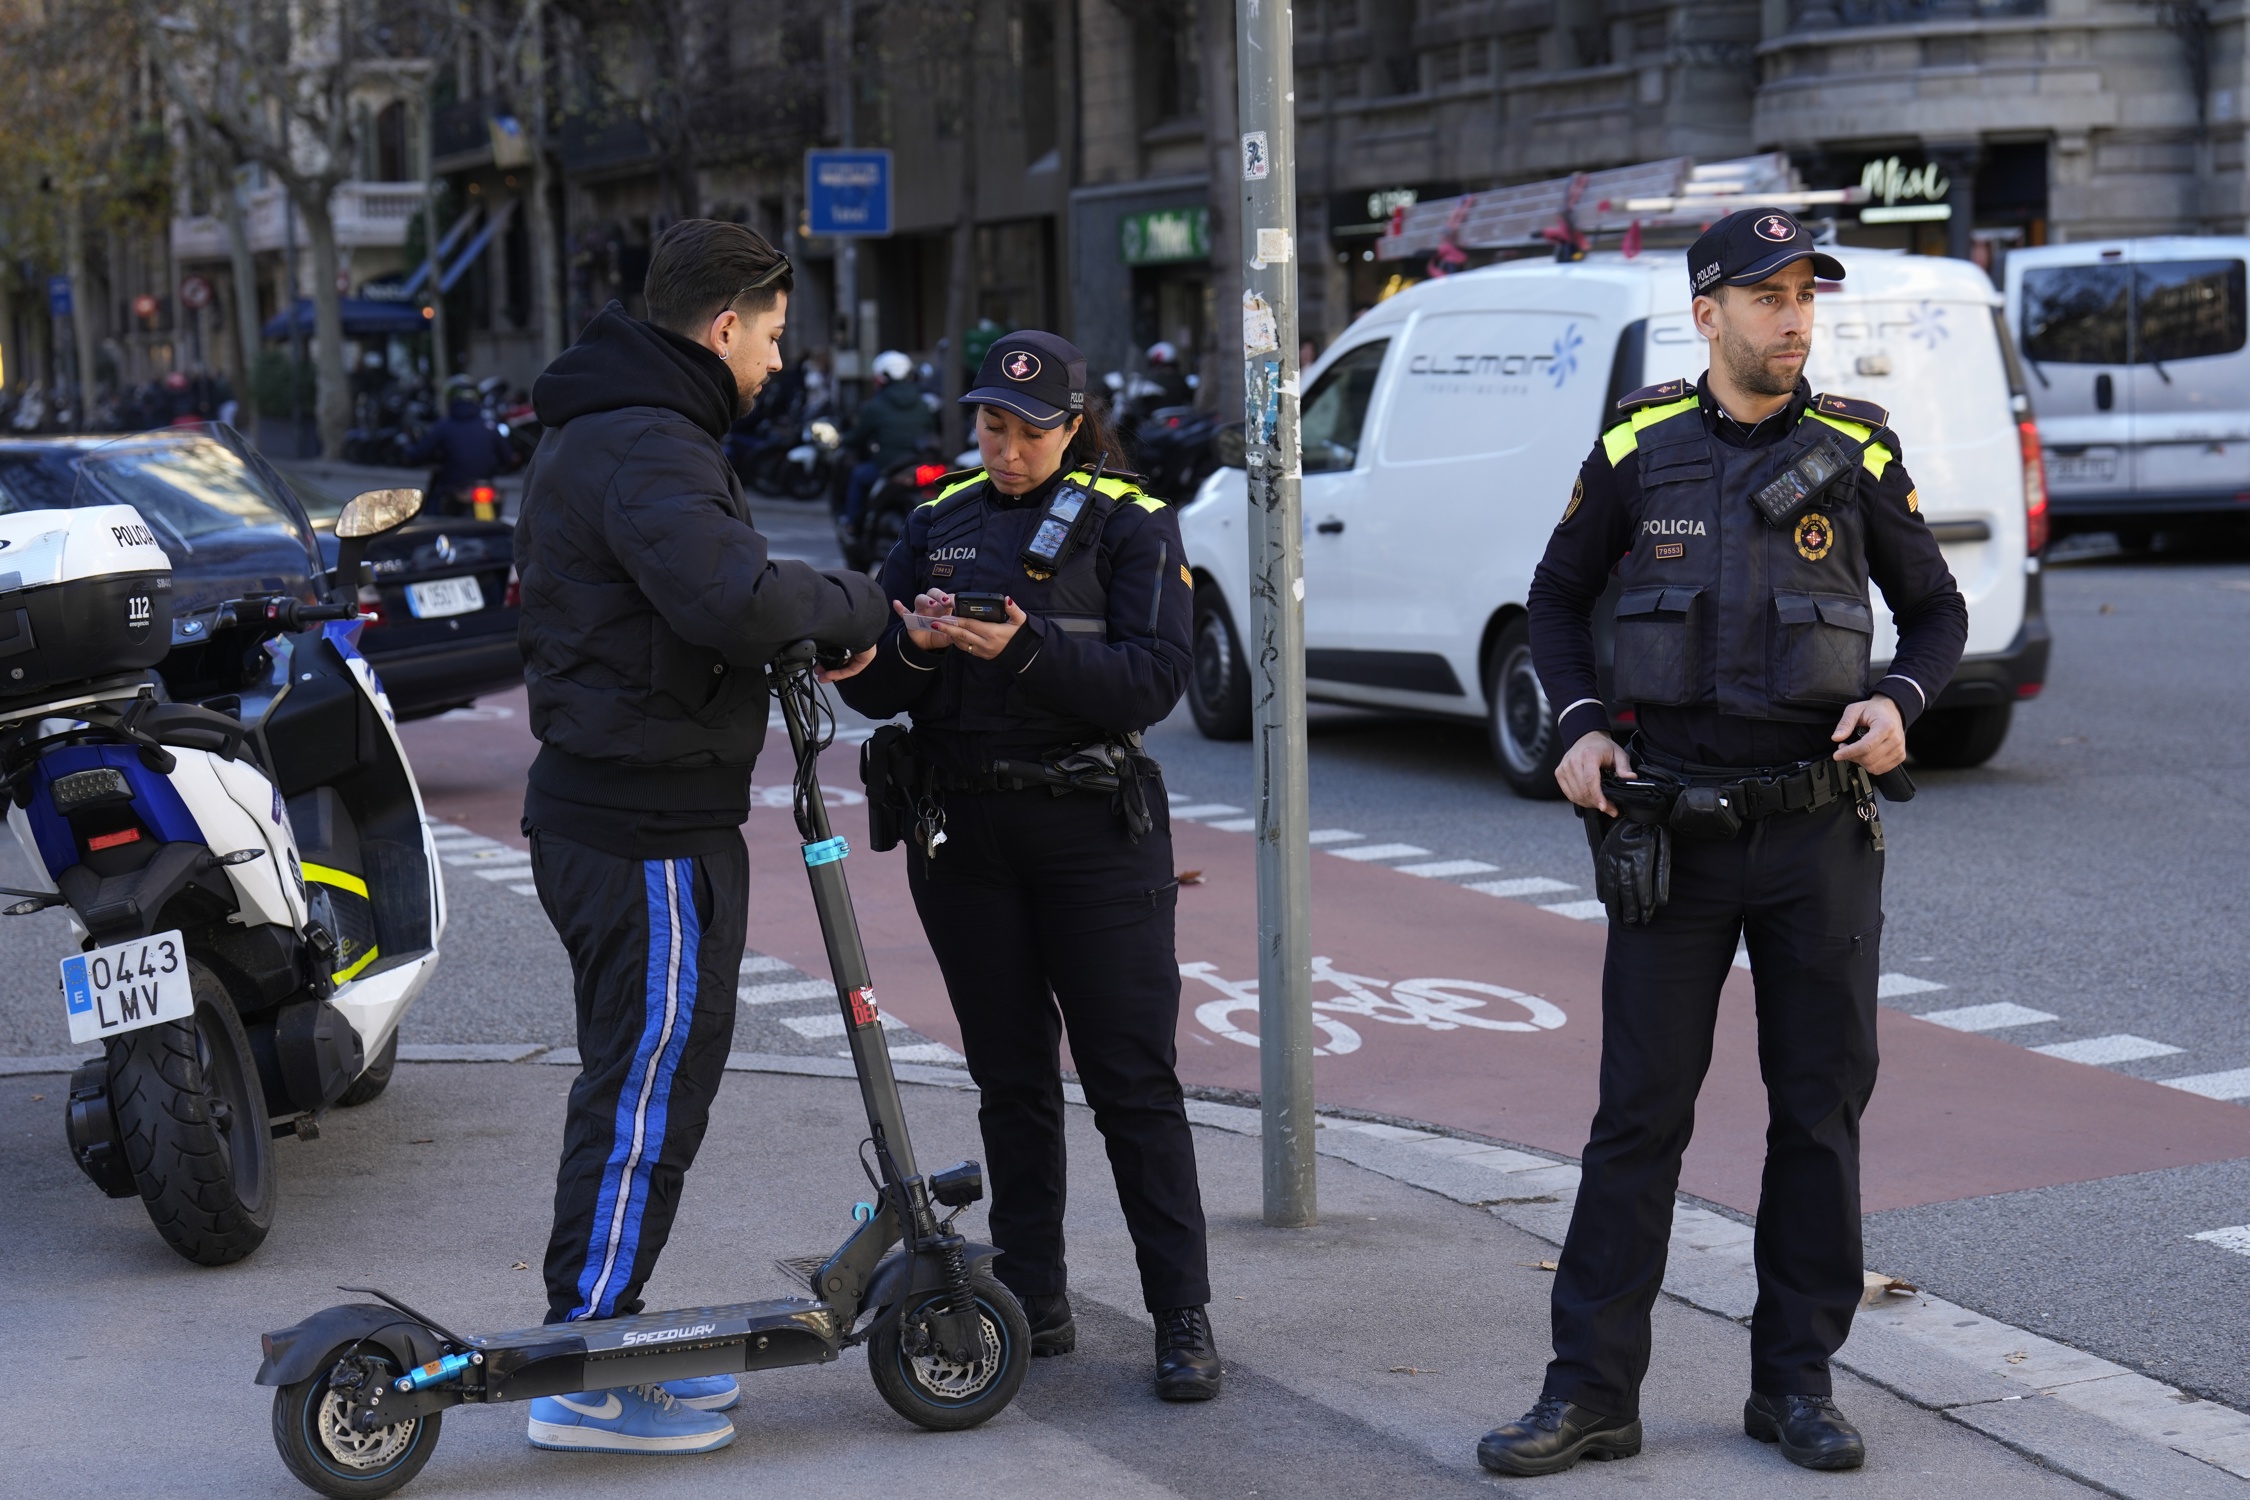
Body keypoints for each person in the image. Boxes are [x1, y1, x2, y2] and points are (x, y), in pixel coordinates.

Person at [1480, 209, 1969, 1479]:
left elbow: (1937, 610)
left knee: (1817, 1115)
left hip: (1818, 830)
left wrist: (1901, 703)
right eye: (1767, 296)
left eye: (1806, 293)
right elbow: (1554, 596)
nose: (1794, 317)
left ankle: (1796, 1385)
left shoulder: (1858, 449)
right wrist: (1579, 726)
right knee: (1636, 1119)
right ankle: (1591, 1394)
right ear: (1709, 314)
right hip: (1674, 836)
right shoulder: (1640, 445)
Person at [512, 218, 889, 1456]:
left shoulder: (626, 427)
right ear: (723, 325)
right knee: (642, 1092)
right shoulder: (645, 442)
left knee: (646, 1082)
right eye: (774, 336)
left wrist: (807, 615)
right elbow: (731, 594)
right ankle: (582, 1363)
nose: (780, 362)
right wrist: (864, 605)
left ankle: (607, 1332)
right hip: (642, 826)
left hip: (643, 809)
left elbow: (712, 586)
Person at [834, 330, 1222, 1403]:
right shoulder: (937, 521)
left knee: (1132, 1083)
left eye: (1029, 431)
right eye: (991, 427)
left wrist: (1030, 649)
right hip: (965, 835)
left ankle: (1181, 1317)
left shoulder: (1133, 522)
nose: (1006, 450)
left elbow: (1156, 682)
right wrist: (909, 642)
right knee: (1010, 1081)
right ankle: (1035, 1297)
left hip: (1095, 833)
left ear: (1072, 425)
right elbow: (869, 689)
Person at [839, 348, 934, 530]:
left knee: (858, 476)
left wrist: (843, 440)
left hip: (887, 465)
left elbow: (858, 437)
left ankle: (851, 524)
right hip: (917, 466)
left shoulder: (875, 405)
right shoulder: (922, 403)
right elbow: (931, 429)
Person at [407, 376, 513, 517]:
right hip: (487, 485)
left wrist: (407, 452)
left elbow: (420, 453)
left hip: (453, 487)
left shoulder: (444, 426)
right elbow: (508, 457)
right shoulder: (489, 425)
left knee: (431, 512)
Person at [1144, 341, 1191, 408]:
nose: (1159, 371)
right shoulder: (1148, 385)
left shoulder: (1181, 382)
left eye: (1165, 367)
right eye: (1157, 367)